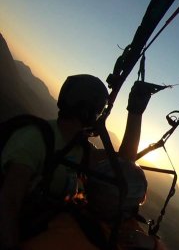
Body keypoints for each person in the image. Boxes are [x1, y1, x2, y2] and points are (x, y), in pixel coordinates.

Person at [0, 74, 157, 249]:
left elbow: (123, 163)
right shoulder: (34, 140)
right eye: (98, 112)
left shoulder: (78, 148)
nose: (99, 118)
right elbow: (9, 202)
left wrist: (135, 114)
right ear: (86, 111)